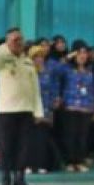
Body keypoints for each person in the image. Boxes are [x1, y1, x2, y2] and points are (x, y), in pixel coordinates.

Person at [0, 28, 43, 185]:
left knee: (23, 147)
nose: (18, 43)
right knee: (5, 147)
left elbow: (35, 89)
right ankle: (5, 180)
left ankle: (20, 179)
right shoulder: (2, 59)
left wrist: (38, 112)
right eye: (14, 40)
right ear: (7, 42)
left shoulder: (28, 62)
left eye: (20, 39)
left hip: (26, 110)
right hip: (6, 111)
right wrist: (6, 47)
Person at [58, 44, 94, 172]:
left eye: (85, 53)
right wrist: (68, 57)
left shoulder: (90, 72)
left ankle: (79, 161)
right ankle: (70, 162)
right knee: (70, 135)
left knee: (83, 136)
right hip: (70, 107)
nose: (82, 56)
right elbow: (57, 70)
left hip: (86, 107)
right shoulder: (67, 70)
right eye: (80, 53)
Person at [25, 44, 62, 174]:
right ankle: (29, 164)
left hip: (45, 108)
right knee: (29, 138)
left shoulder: (48, 72)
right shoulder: (27, 72)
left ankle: (41, 164)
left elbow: (52, 89)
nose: (39, 59)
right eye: (36, 57)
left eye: (41, 56)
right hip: (30, 108)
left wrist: (54, 103)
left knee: (42, 138)